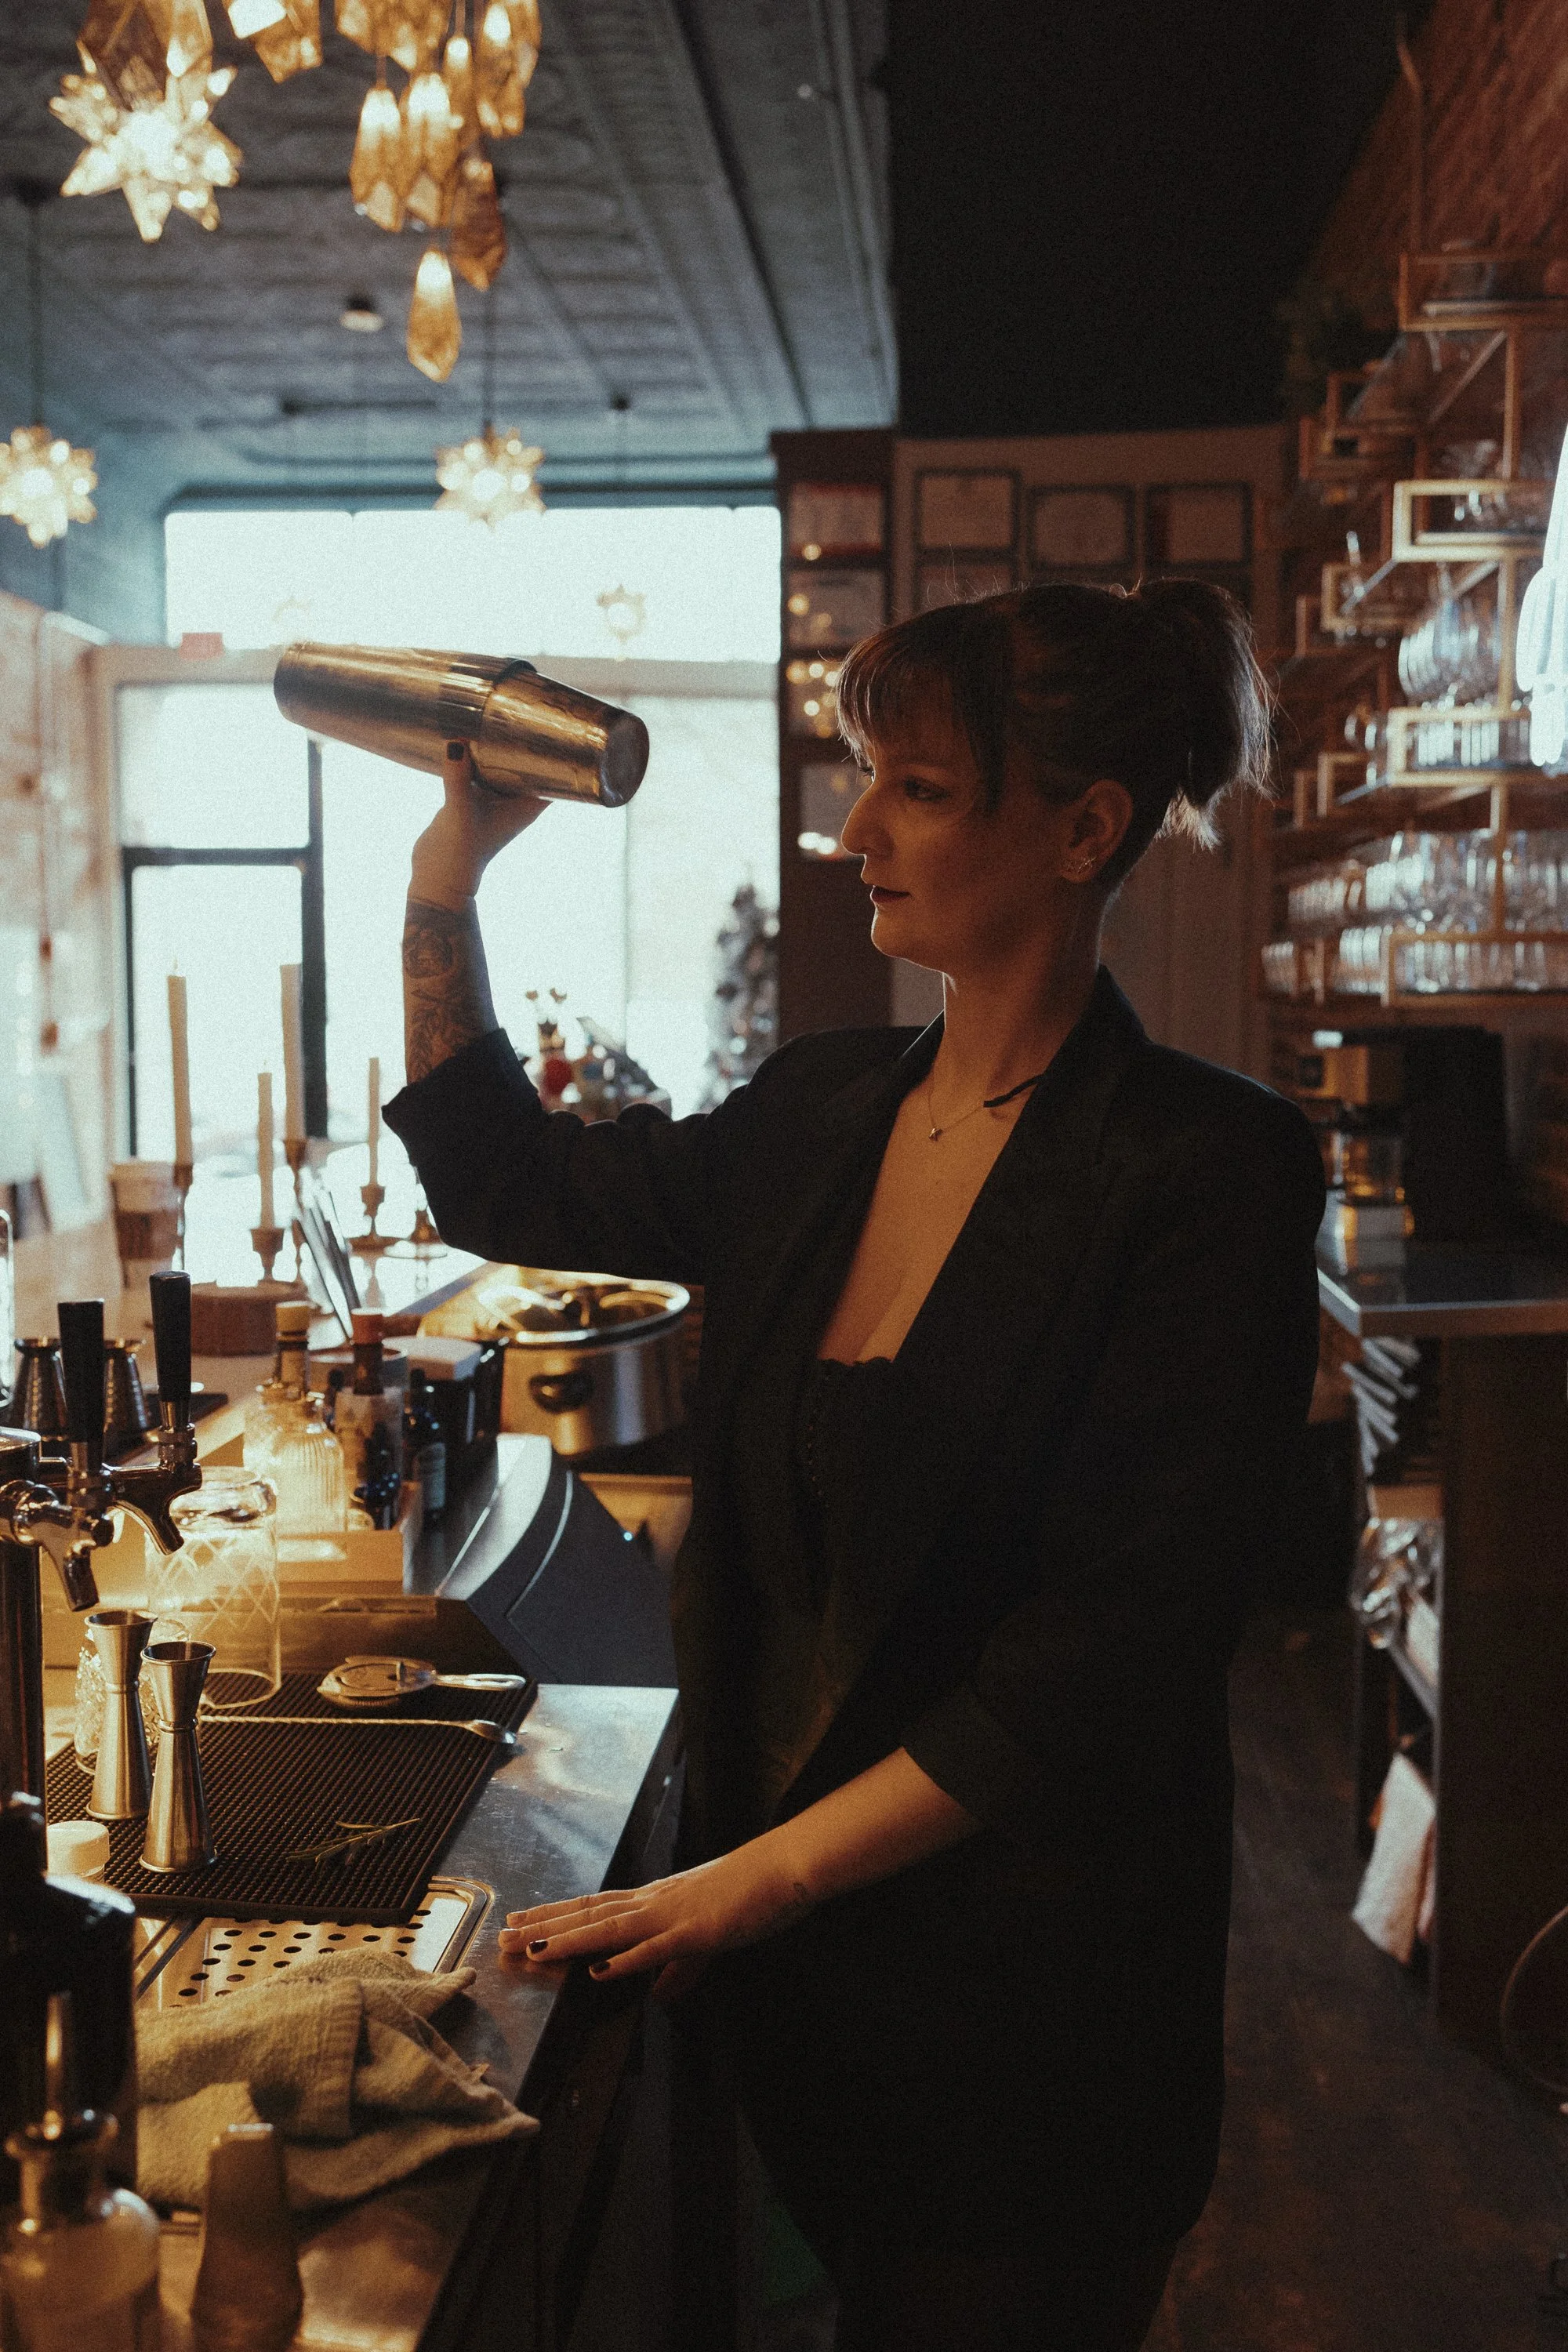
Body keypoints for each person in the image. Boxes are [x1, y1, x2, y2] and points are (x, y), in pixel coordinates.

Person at [383, 579, 1326, 2352]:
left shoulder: (1205, 1171)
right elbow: (509, 1188)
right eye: (858, 777)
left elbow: (1112, 1647)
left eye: (915, 788)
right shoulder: (823, 1110)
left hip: (1030, 2022)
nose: (852, 828)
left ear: (1083, 828)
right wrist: (451, 877)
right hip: (801, 1995)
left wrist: (751, 1880)